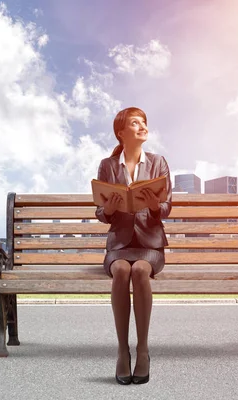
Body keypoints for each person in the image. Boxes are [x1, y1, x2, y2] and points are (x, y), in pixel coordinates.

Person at [95, 107, 172, 385]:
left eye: (144, 122)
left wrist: (154, 206)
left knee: (139, 270)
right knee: (121, 270)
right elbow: (100, 213)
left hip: (150, 244)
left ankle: (142, 350)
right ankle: (121, 351)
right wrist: (111, 209)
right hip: (119, 244)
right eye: (135, 123)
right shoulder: (107, 166)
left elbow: (167, 207)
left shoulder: (158, 162)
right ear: (121, 133)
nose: (142, 127)